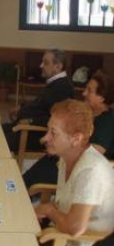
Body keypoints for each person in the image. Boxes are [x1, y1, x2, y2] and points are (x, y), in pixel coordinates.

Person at [34, 99, 114, 246]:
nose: (45, 138)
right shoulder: (66, 157)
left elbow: (74, 228)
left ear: (76, 139)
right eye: (48, 130)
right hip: (60, 233)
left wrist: (49, 210)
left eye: (53, 133)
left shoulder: (90, 171)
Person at [23, 71, 114, 189]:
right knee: (25, 180)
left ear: (101, 98)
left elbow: (92, 155)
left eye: (89, 91)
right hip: (61, 159)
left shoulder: (107, 122)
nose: (84, 93)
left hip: (76, 168)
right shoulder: (87, 113)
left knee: (29, 184)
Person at [2, 49, 74, 152]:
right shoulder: (55, 83)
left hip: (34, 133)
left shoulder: (63, 88)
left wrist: (31, 121)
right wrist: (21, 107)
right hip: (23, 126)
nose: (41, 66)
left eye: (46, 63)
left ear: (58, 66)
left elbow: (57, 119)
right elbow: (39, 104)